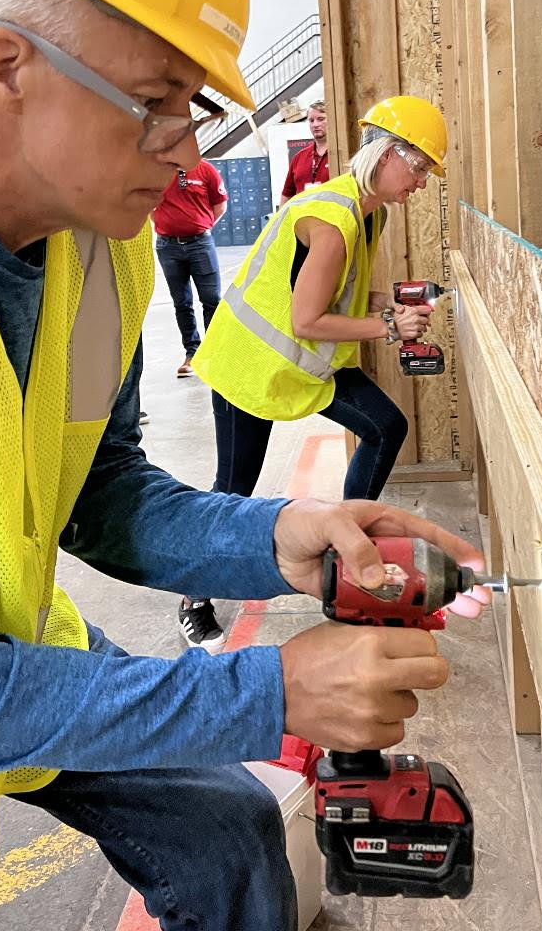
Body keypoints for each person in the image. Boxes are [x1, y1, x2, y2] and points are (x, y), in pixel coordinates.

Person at [0, 0, 489, 931]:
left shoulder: (102, 242)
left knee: (223, 826)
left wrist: (282, 535)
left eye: (191, 104)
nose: (188, 153)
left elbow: (105, 498)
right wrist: (269, 689)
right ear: (5, 68)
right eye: (156, 101)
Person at [189, 97, 445, 650]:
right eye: (419, 167)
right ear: (384, 154)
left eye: (427, 171)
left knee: (384, 426)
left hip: (305, 366)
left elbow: (339, 294)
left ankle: (348, 550)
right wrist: (388, 326)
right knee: (233, 490)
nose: (421, 183)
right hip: (251, 365)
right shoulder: (333, 220)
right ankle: (193, 597)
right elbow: (308, 318)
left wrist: (395, 301)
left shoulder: (366, 210)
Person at [153, 160, 227, 379]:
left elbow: (220, 204)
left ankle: (215, 354)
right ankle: (192, 353)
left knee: (211, 299)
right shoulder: (156, 170)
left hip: (200, 244)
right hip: (168, 246)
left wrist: (199, 226)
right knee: (182, 303)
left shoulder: (205, 170)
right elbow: (149, 208)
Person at [279, 99, 329, 204]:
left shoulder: (341, 156)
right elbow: (286, 195)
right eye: (311, 120)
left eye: (321, 119)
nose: (315, 124)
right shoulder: (299, 158)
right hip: (303, 218)